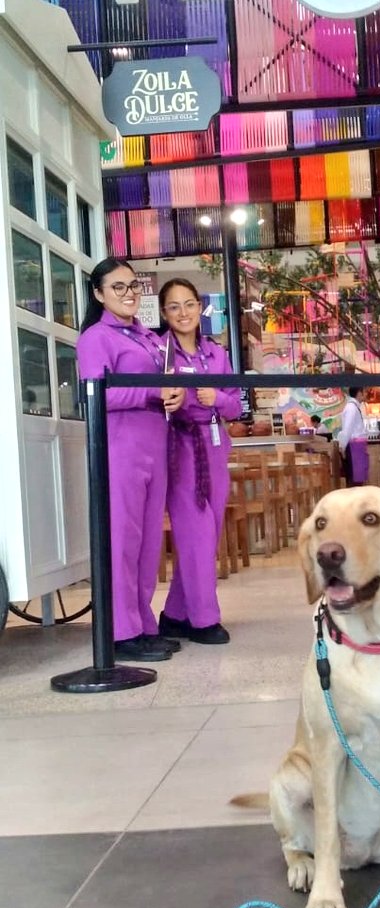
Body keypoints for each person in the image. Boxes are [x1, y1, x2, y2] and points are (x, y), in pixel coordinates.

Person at [77, 258, 185, 662]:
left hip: (155, 447)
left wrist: (173, 395)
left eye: (132, 286)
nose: (128, 294)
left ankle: (142, 624)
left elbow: (162, 385)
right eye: (118, 287)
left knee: (147, 544)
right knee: (122, 542)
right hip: (121, 450)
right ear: (99, 293)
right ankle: (122, 632)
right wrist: (150, 394)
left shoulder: (147, 337)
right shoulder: (96, 337)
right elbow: (96, 394)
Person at [157, 279, 242, 644]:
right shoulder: (160, 352)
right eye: (174, 306)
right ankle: (204, 620)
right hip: (181, 445)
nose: (183, 312)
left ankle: (176, 615)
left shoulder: (217, 353)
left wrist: (216, 400)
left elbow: (236, 404)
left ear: (200, 307)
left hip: (216, 443)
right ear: (164, 313)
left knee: (209, 535)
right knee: (196, 534)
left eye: (189, 304)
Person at [337, 386, 369, 486]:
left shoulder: (354, 407)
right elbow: (347, 429)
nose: (366, 394)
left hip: (357, 446)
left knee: (358, 477)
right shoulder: (351, 408)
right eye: (365, 391)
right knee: (355, 479)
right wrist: (342, 446)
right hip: (354, 447)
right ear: (359, 393)